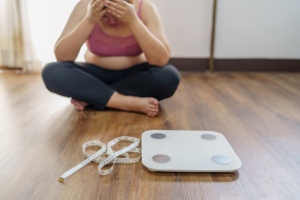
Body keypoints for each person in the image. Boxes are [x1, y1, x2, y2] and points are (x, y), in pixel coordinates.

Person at [41, 0, 180, 117]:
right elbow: (62, 56)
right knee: (52, 71)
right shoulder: (85, 6)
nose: (112, 21)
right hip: (95, 74)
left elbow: (160, 60)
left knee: (169, 76)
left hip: (135, 76)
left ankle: (94, 96)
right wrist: (89, 20)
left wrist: (133, 20)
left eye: (118, 16)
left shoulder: (146, 8)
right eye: (105, 16)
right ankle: (125, 102)